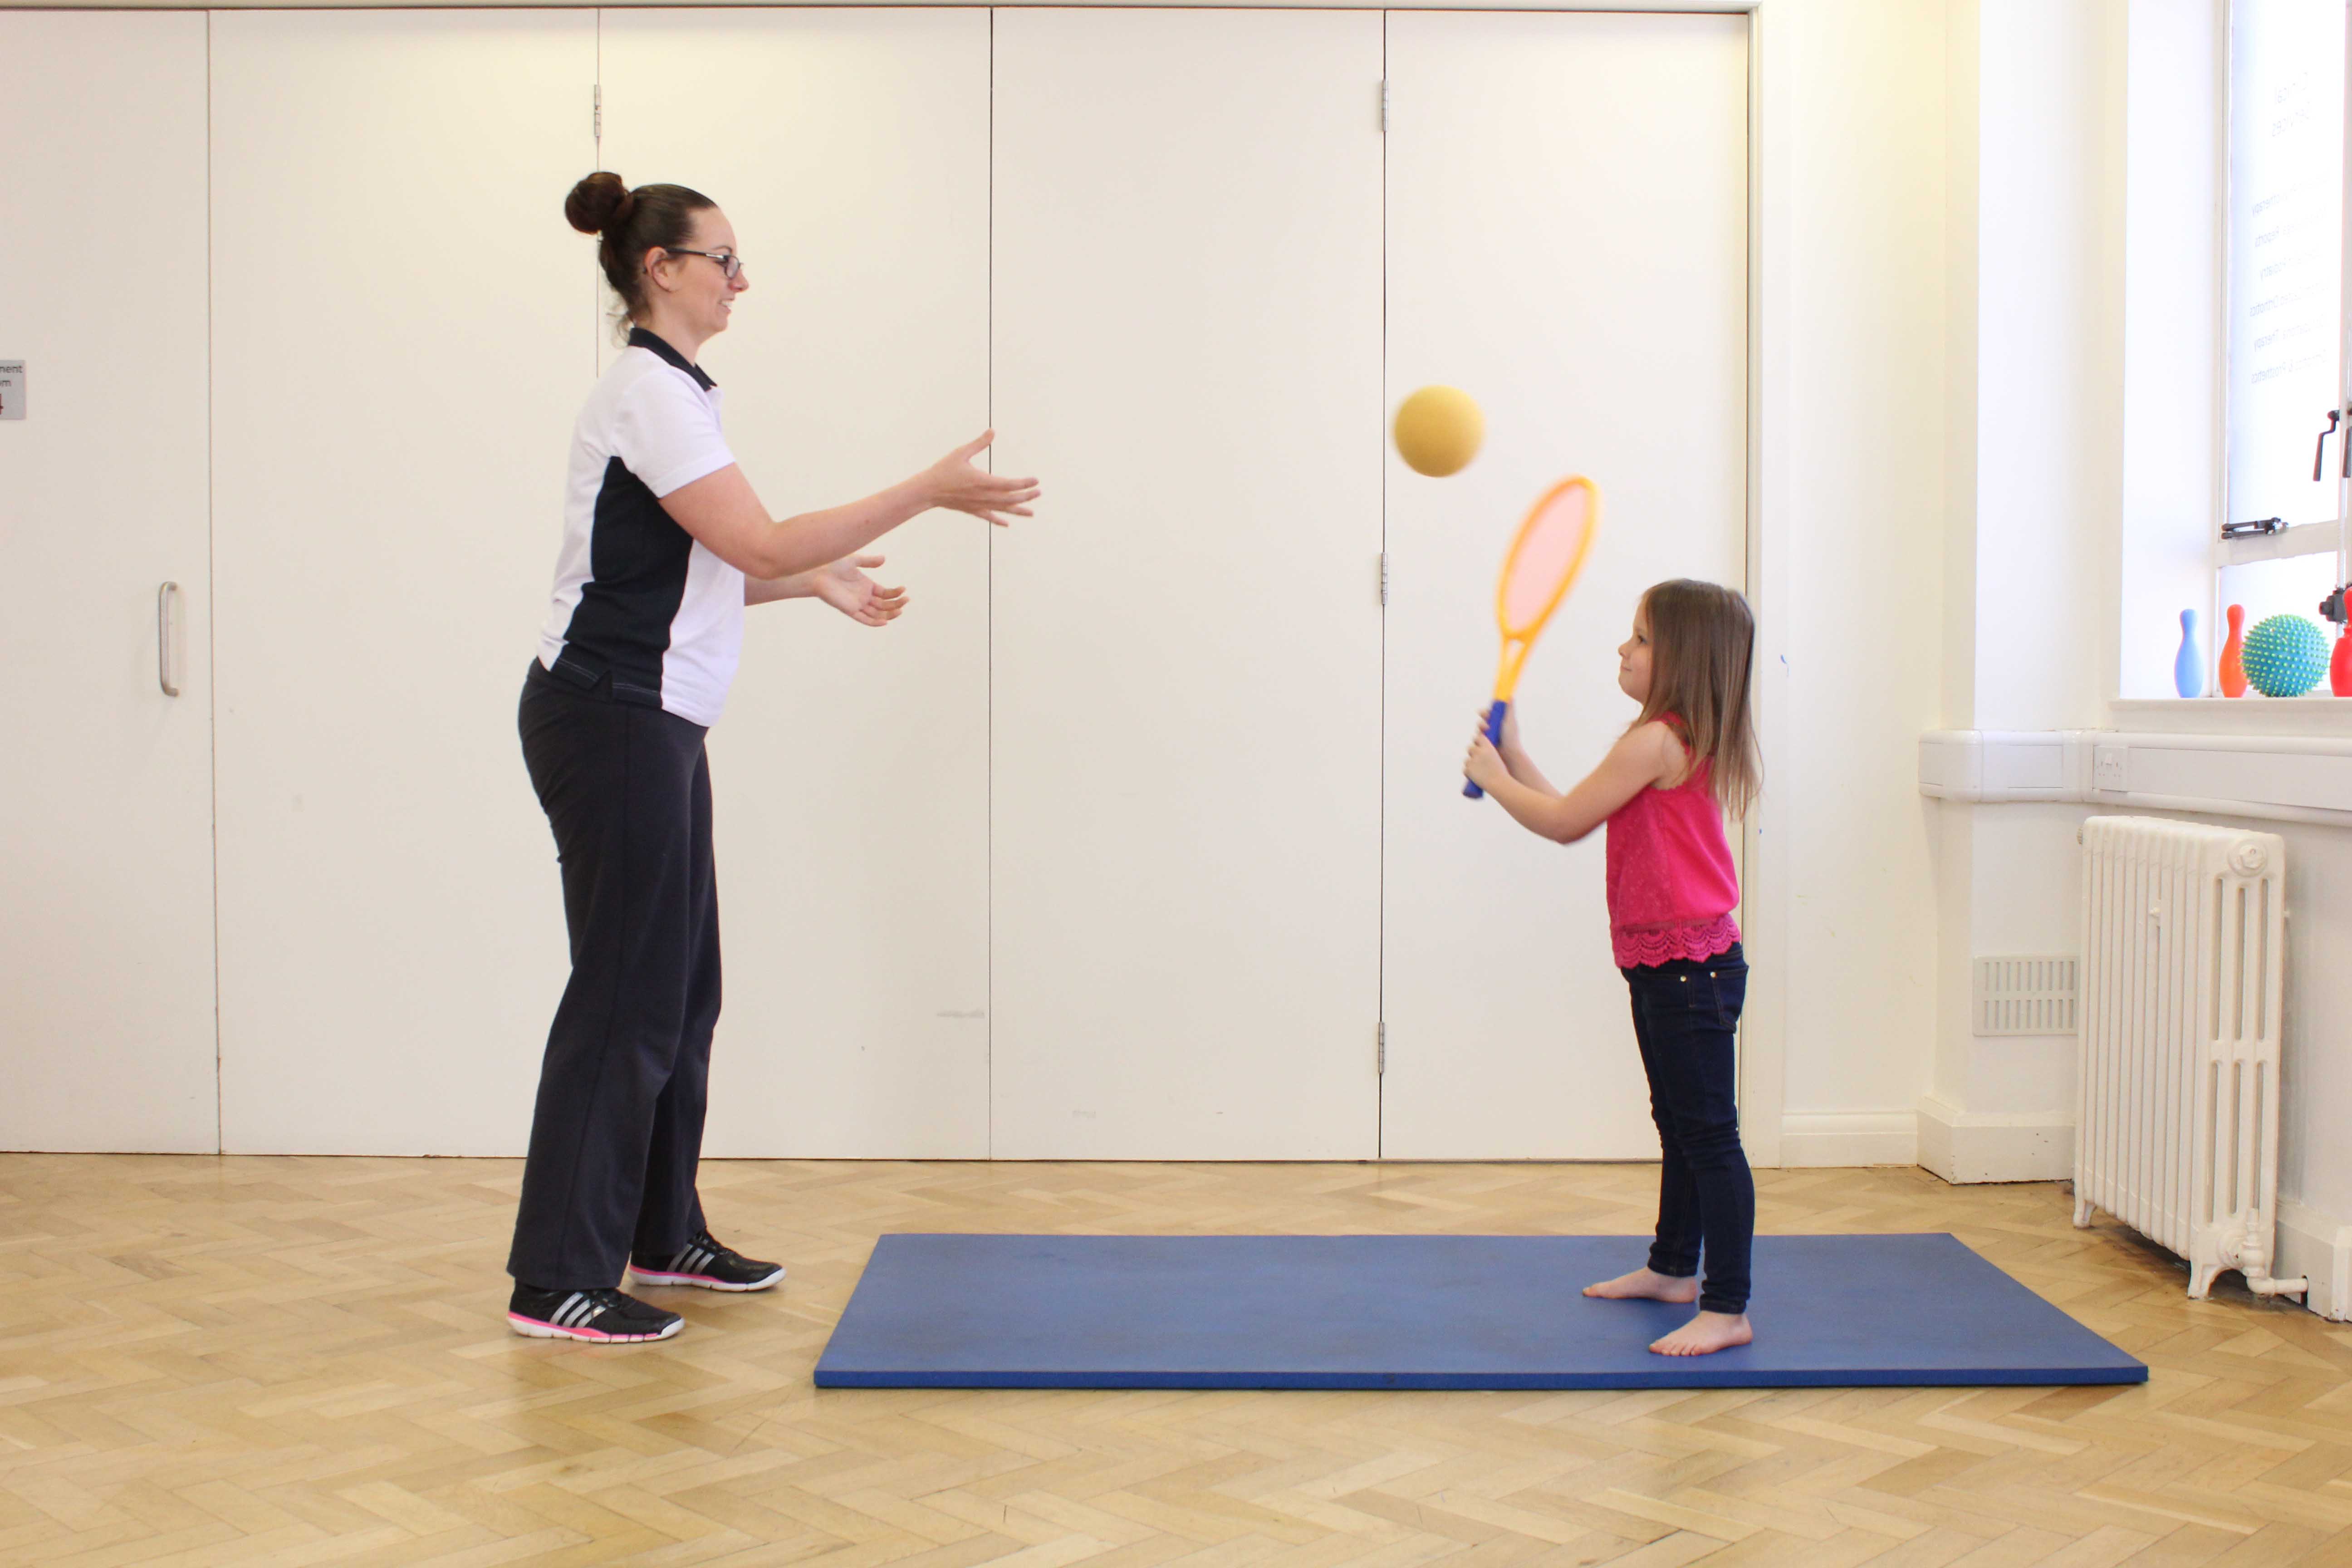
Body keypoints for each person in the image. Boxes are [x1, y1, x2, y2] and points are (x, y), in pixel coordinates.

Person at [506, 172, 1040, 1343]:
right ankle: (557, 1277)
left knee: (681, 991)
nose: (740, 281)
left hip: (651, 722)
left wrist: (811, 581)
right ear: (662, 270)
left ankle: (660, 1234)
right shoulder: (647, 395)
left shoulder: (681, 399)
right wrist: (927, 493)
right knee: (624, 996)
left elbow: (709, 565)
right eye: (724, 260)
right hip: (609, 718)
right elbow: (749, 533)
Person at [1462, 578, 1760, 1356]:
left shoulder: (1656, 741)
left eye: (1639, 639)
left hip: (1689, 967)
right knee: (1680, 1124)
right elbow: (1580, 807)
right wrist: (1518, 754)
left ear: (1681, 659)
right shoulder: (1666, 740)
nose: (1624, 651)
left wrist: (1495, 782)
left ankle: (1727, 1307)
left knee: (1709, 1135)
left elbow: (1562, 825)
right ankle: (1673, 1268)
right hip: (1670, 962)